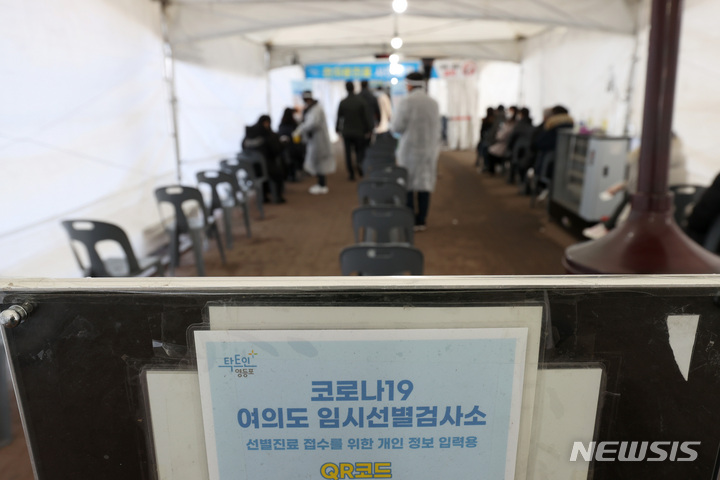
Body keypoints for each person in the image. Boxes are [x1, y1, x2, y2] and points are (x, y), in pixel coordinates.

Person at [582, 134, 689, 239]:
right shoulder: (679, 155)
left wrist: (620, 188)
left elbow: (636, 182)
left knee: (630, 196)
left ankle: (608, 226)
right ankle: (609, 226)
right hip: (673, 199)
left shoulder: (649, 154)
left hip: (653, 197)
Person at [390, 72, 441, 231]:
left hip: (409, 150)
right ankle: (422, 220)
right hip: (429, 150)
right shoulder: (433, 103)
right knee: (425, 184)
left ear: (409, 85)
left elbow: (397, 127)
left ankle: (410, 219)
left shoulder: (406, 102)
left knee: (409, 185)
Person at [293, 91, 335, 195]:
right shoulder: (311, 108)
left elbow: (312, 123)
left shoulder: (316, 109)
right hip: (314, 140)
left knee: (319, 162)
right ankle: (320, 183)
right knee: (317, 162)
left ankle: (322, 185)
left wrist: (300, 129)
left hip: (319, 140)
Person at [242, 114, 285, 203]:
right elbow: (275, 150)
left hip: (250, 167)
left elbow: (243, 148)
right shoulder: (268, 135)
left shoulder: (249, 133)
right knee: (278, 173)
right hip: (266, 166)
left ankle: (263, 196)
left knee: (263, 175)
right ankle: (278, 197)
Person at [336, 81, 372, 180]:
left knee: (347, 153)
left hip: (347, 132)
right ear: (354, 88)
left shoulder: (343, 102)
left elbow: (339, 118)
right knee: (359, 150)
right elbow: (366, 117)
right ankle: (359, 164)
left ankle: (351, 173)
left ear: (346, 89)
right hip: (359, 131)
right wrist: (369, 129)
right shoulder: (361, 101)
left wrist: (337, 129)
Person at [277, 107, 305, 182]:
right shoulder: (293, 124)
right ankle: (295, 173)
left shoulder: (281, 125)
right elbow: (298, 137)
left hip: (285, 149)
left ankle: (291, 174)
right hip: (293, 148)